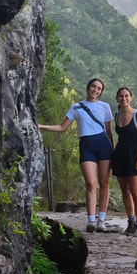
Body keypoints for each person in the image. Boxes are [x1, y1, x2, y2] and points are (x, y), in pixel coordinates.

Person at [39, 78, 114, 232]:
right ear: (88, 87)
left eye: (99, 88)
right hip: (86, 147)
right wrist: (40, 126)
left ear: (101, 92)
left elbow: (109, 131)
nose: (95, 90)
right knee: (91, 183)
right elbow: (61, 127)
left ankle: (101, 220)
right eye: (93, 86)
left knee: (104, 183)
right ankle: (91, 221)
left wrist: (113, 151)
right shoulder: (76, 107)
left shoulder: (105, 107)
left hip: (104, 146)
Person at [112, 87, 137, 238]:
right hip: (120, 155)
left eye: (126, 96)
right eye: (121, 96)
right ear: (117, 99)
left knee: (136, 192)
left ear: (131, 97)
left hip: (134, 156)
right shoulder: (117, 115)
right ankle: (131, 222)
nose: (124, 98)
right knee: (125, 191)